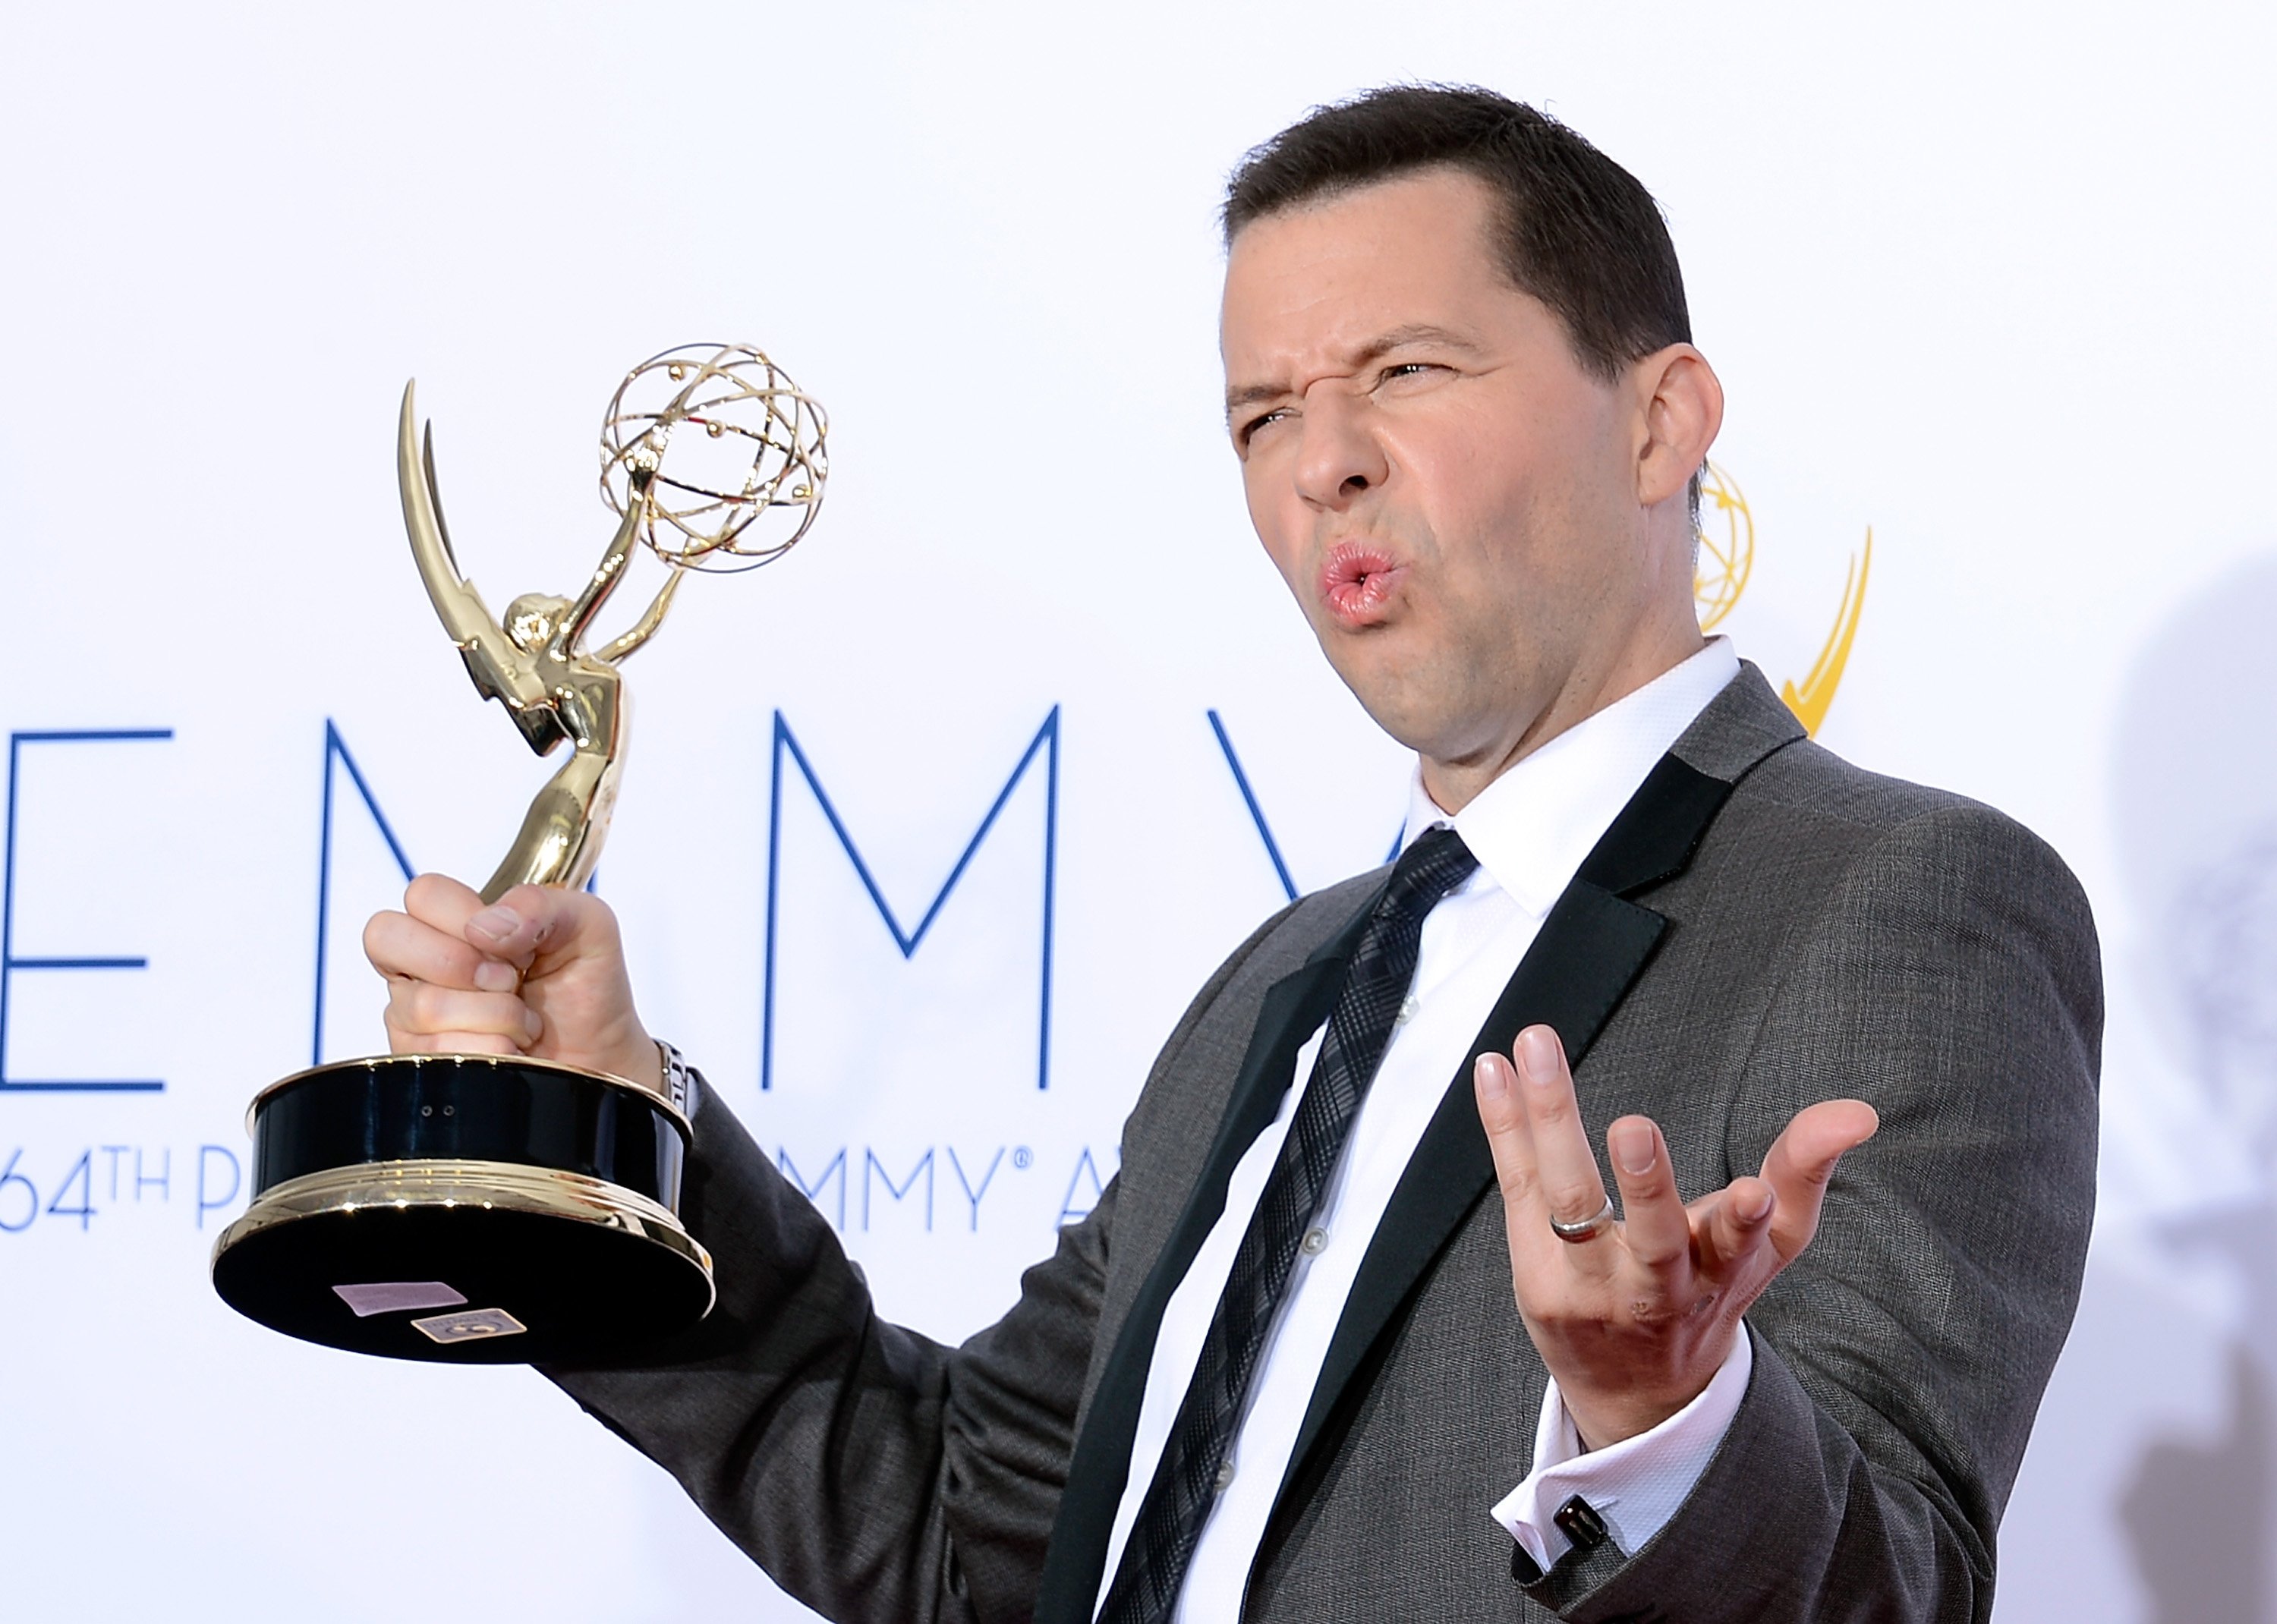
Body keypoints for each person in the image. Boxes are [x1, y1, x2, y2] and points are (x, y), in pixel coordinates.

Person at [364, 86, 2100, 1623]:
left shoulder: (1903, 901)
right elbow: (968, 1534)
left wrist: (1661, 1424)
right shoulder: (1284, 981)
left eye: (1404, 372)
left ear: (1660, 422)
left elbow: (1891, 1585)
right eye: (1262, 414)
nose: (1323, 463)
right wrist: (604, 1131)